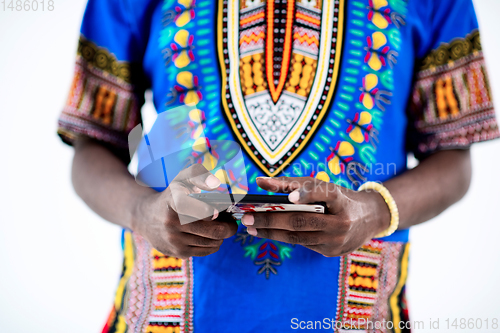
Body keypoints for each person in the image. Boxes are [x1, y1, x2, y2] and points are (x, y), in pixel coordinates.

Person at [58, 0, 499, 332]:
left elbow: (453, 155)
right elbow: (93, 143)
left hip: (355, 313)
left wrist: (373, 211)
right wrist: (143, 213)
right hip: (172, 311)